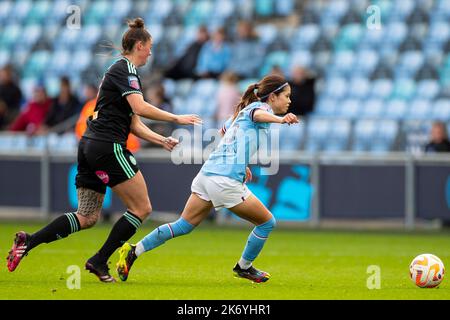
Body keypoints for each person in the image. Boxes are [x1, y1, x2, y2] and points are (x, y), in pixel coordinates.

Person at [6, 18, 202, 282]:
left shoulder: (121, 72)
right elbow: (141, 107)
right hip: (108, 146)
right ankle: (99, 260)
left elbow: (132, 121)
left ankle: (28, 242)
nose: (151, 52)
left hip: (90, 144)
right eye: (150, 47)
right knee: (142, 208)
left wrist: (160, 139)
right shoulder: (125, 70)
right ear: (140, 45)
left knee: (86, 217)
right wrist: (177, 119)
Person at [116, 74, 299, 283]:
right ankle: (244, 267)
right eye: (286, 96)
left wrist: (242, 161)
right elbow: (258, 115)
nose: (289, 100)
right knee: (267, 222)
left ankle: (133, 251)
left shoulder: (242, 112)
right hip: (224, 180)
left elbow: (224, 132)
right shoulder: (260, 109)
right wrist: (281, 119)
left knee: (183, 225)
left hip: (208, 174)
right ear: (273, 97)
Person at [0, 64, 23, 129]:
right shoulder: (1, 87)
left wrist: (3, 106)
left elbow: (14, 104)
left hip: (11, 112)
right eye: (1, 75)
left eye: (4, 75)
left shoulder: (15, 89)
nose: (2, 77)